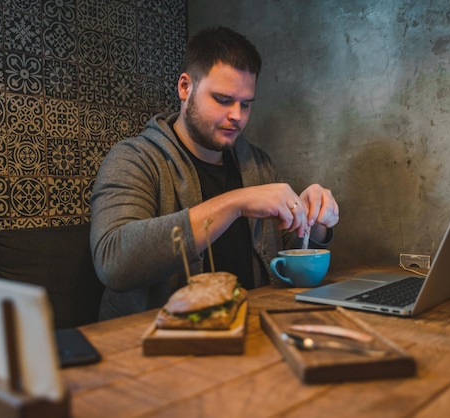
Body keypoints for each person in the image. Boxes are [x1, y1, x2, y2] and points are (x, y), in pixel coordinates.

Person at [90, 26, 339, 320]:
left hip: (249, 329)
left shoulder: (258, 165)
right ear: (185, 87)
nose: (237, 115)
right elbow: (114, 263)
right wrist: (236, 203)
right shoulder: (135, 160)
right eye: (223, 100)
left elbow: (287, 259)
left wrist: (316, 220)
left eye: (245, 104)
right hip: (158, 341)